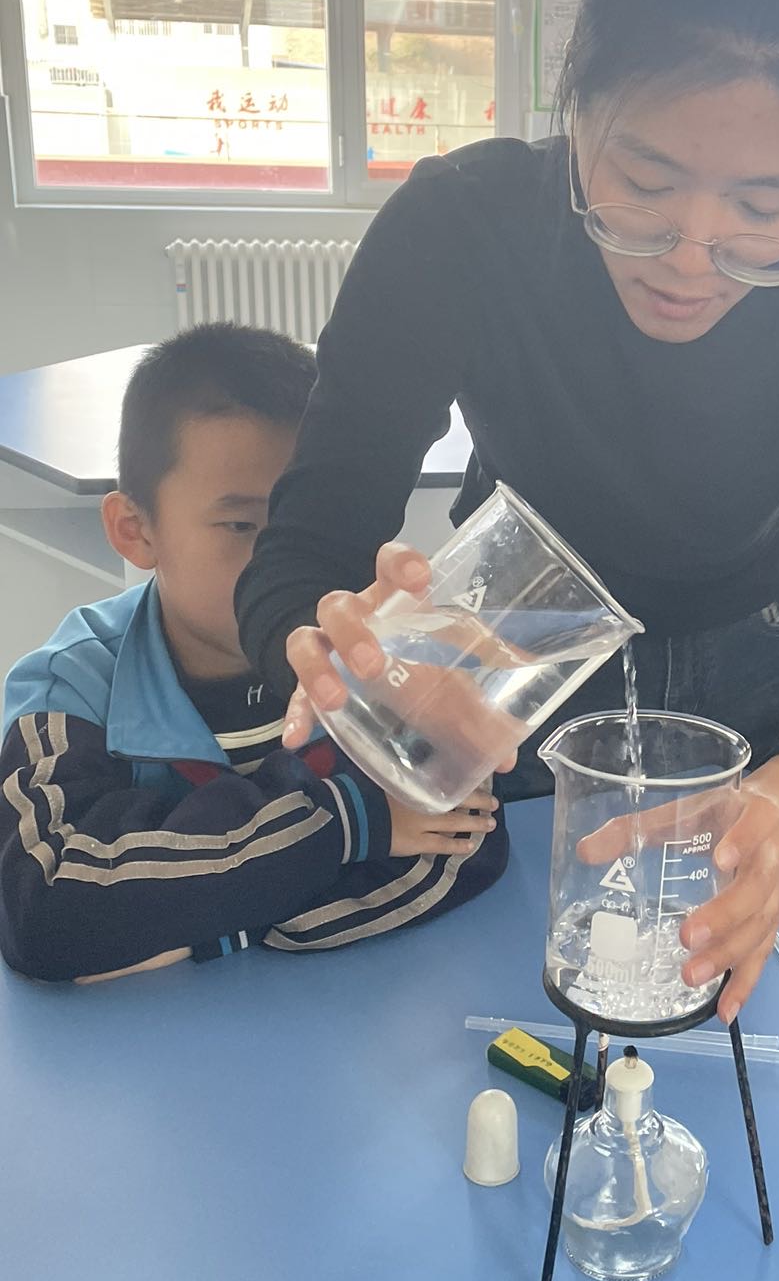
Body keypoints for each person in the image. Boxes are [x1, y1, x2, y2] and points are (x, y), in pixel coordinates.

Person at [234, 0, 779, 1027]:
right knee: (478, 996)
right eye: (644, 180)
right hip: (503, 653)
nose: (690, 251)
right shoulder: (460, 225)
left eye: (764, 204)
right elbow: (304, 549)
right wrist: (325, 646)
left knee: (720, 987)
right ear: (574, 105)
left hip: (768, 653)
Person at [0, 324, 505, 984]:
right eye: (242, 525)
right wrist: (350, 821)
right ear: (135, 530)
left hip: (337, 1016)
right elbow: (46, 904)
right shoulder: (68, 685)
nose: (281, 565)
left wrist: (201, 928)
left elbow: (464, 844)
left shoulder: (380, 658)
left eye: (309, 525)